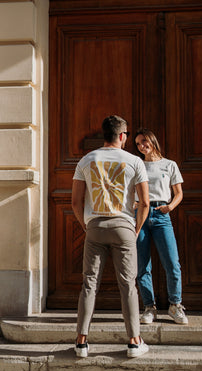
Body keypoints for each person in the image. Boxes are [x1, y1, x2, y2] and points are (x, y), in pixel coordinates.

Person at [72, 115, 150, 358]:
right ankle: (134, 342)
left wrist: (87, 225)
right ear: (123, 136)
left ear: (104, 134)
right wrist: (135, 229)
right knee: (128, 284)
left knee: (89, 284)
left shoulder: (87, 160)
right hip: (124, 226)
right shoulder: (134, 161)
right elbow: (145, 202)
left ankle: (81, 342)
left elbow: (75, 201)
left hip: (95, 225)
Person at [134, 128, 188, 325]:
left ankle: (175, 305)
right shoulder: (136, 164)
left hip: (161, 215)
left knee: (172, 263)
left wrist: (170, 207)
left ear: (152, 141)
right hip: (140, 214)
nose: (141, 146)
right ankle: (149, 307)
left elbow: (179, 193)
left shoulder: (169, 164)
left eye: (144, 142)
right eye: (138, 144)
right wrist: (133, 204)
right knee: (142, 265)